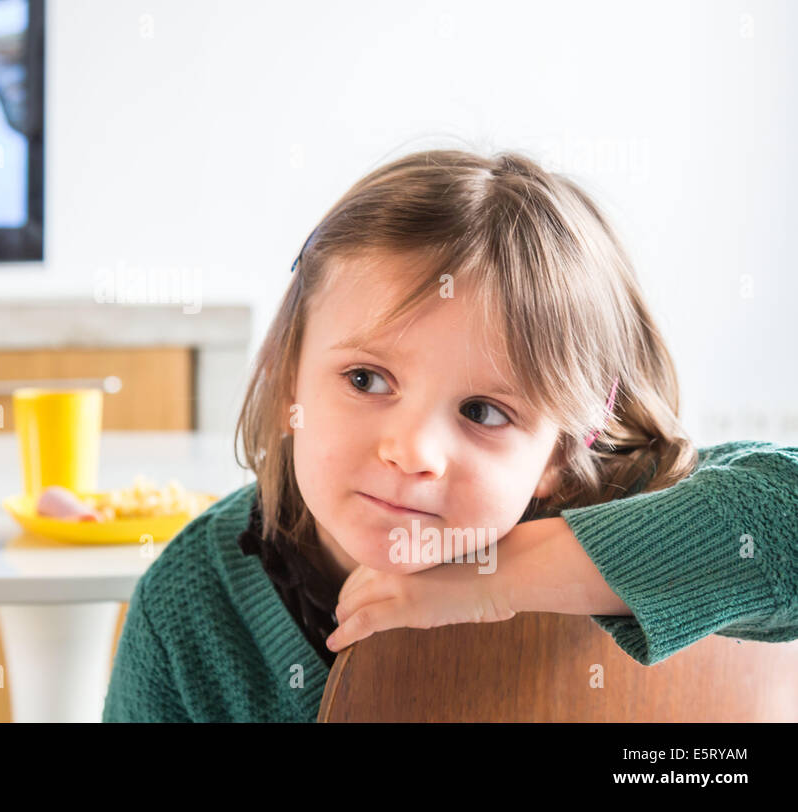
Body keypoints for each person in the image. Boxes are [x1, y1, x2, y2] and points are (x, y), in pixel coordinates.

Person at [101, 148, 798, 723]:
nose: (412, 452)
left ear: (561, 450)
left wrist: (497, 581)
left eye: (484, 412)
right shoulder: (195, 603)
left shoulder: (622, 511)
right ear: (290, 379)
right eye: (367, 380)